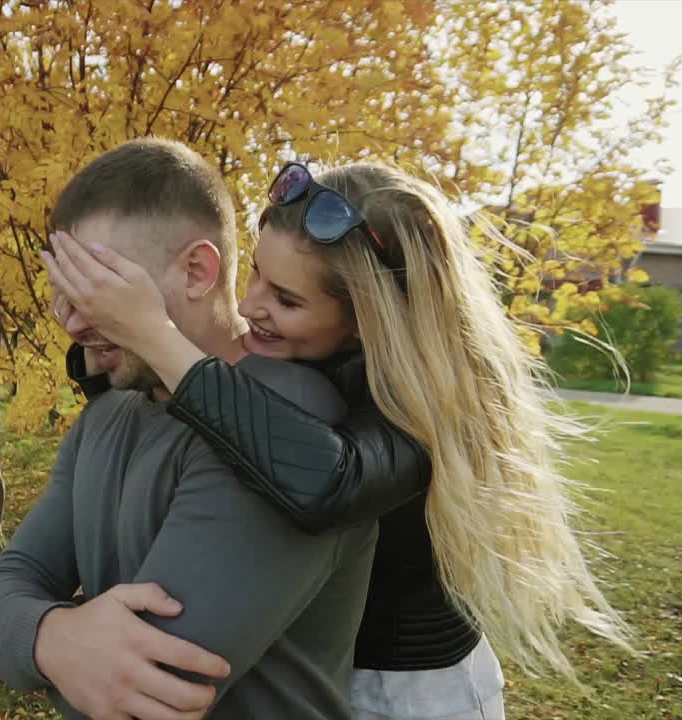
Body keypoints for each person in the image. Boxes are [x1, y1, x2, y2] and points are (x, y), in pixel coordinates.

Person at [43, 160, 634, 719]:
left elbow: (328, 484)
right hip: (335, 675)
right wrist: (102, 343)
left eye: (286, 299)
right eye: (255, 273)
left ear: (365, 318)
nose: (250, 306)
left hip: (410, 694)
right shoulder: (312, 353)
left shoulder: (419, 406)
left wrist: (154, 333)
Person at [0, 139, 386, 720]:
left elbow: (147, 692)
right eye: (63, 288)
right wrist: (52, 638)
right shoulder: (106, 414)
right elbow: (6, 586)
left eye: (98, 286)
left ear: (197, 270)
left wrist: (34, 641)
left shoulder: (284, 425)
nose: (70, 320)